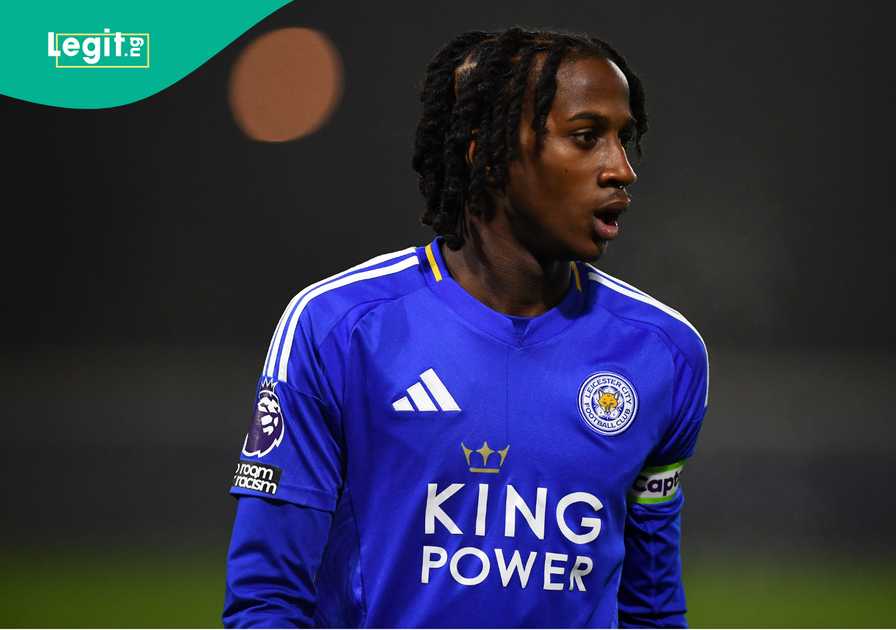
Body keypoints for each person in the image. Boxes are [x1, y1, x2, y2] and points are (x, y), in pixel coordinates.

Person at [224, 27, 709, 628]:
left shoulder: (663, 353)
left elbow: (651, 612)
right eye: (587, 138)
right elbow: (268, 600)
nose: (622, 169)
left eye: (623, 139)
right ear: (488, 149)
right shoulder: (340, 328)